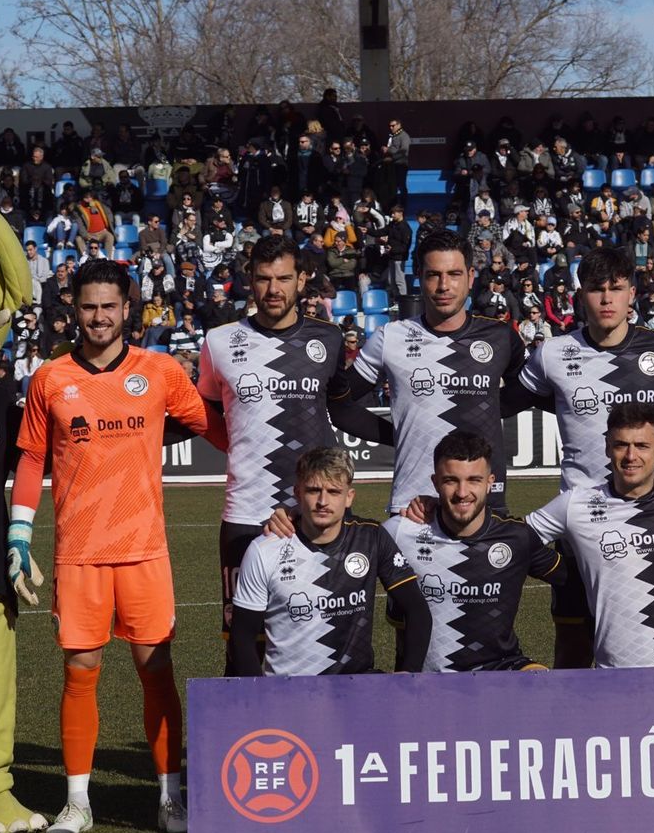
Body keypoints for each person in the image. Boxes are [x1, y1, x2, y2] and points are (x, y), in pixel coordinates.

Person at [8, 259, 229, 833]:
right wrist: (19, 531)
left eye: (110, 306)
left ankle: (170, 799)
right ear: (73, 311)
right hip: (78, 552)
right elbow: (32, 457)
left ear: (129, 309)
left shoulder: (158, 371)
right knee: (80, 673)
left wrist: (270, 459)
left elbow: (211, 424)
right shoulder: (50, 378)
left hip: (144, 549)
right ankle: (77, 801)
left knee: (156, 672)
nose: (100, 317)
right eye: (89, 307)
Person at [196, 234, 392, 674]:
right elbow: (203, 409)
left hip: (313, 513)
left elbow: (341, 408)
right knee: (243, 644)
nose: (274, 289)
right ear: (250, 281)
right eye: (264, 279)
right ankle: (244, 742)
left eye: (284, 278)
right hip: (247, 515)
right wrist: (233, 443)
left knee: (320, 640)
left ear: (302, 280)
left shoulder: (328, 337)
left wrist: (403, 436)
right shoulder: (220, 341)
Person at [331, 228, 525, 515]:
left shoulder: (500, 337)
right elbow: (340, 405)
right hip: (413, 508)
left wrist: (484, 414)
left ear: (471, 277)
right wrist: (397, 433)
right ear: (420, 277)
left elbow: (526, 394)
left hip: (485, 505)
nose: (444, 285)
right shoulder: (390, 337)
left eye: (454, 274)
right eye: (433, 274)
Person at [525, 402, 654, 668]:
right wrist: (562, 571)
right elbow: (514, 540)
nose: (631, 456)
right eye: (621, 445)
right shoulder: (577, 504)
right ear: (608, 447)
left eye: (642, 446)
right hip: (615, 670)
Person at [230, 447, 431, 676]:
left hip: (357, 686)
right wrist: (261, 697)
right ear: (297, 493)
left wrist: (409, 673)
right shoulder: (264, 550)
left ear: (349, 497)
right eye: (314, 490)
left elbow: (417, 609)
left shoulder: (371, 538)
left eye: (334, 492)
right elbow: (241, 637)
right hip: (290, 691)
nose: (323, 501)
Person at [386, 431, 565, 672]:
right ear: (435, 482)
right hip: (427, 679)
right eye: (451, 480)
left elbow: (574, 580)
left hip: (501, 668)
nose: (462, 492)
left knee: (543, 684)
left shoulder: (517, 537)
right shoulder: (400, 532)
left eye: (474, 480)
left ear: (490, 482)